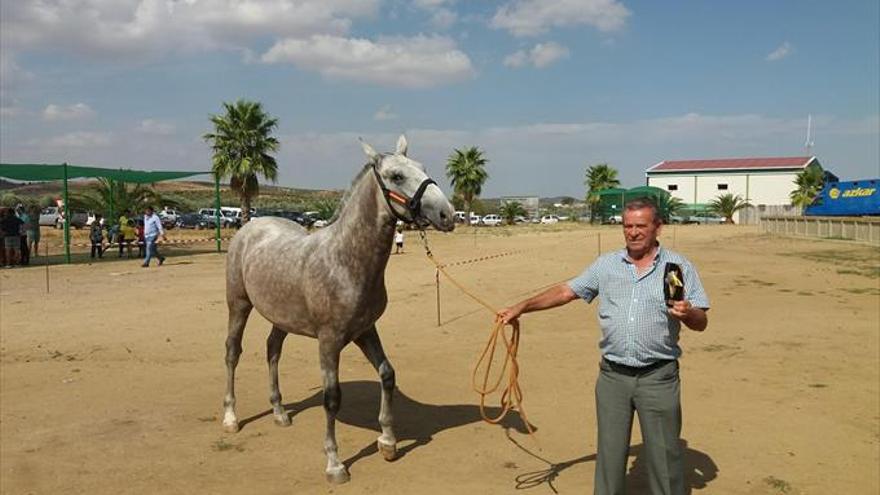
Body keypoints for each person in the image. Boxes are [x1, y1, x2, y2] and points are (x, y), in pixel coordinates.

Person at [498, 198, 710, 495]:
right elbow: (565, 291)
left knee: (665, 456)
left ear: (657, 228)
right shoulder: (606, 265)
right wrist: (523, 306)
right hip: (613, 378)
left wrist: (688, 313)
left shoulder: (676, 267)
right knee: (609, 456)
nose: (633, 232)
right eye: (627, 226)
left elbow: (701, 321)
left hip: (658, 378)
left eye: (641, 226)